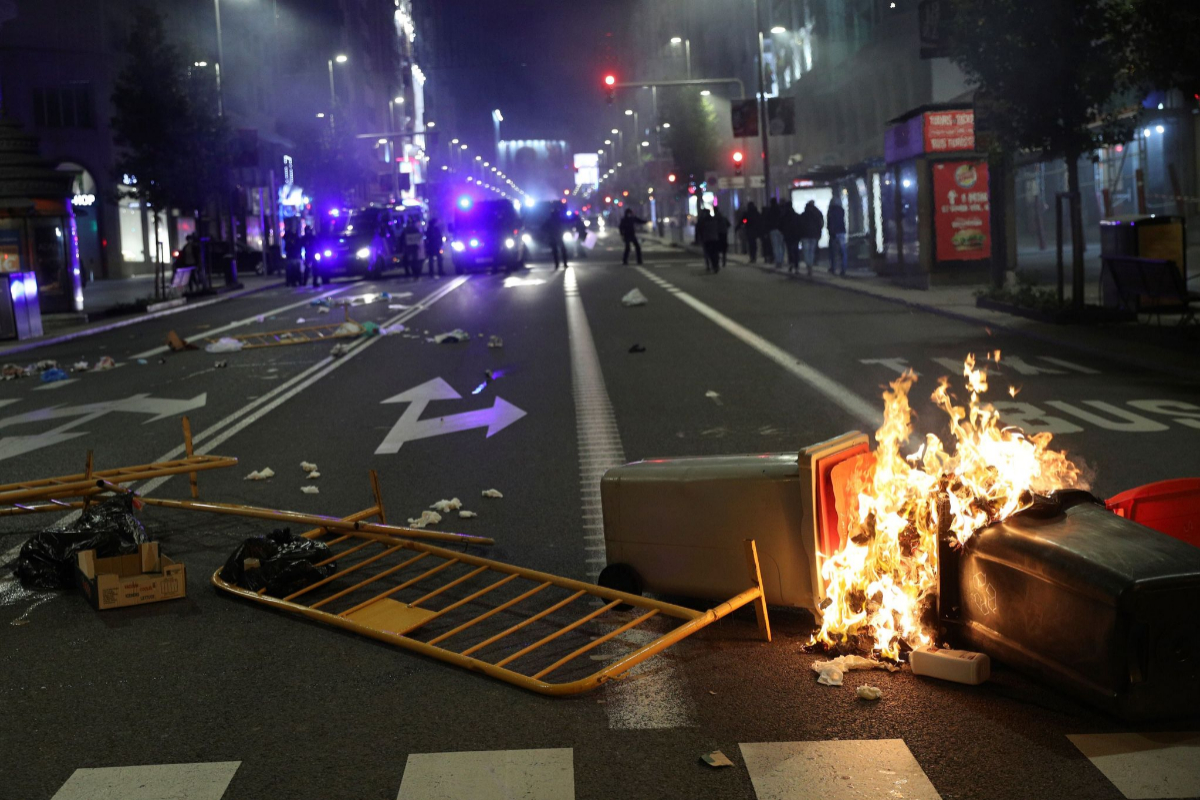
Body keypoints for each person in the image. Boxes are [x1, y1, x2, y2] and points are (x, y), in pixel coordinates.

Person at [799, 200, 824, 276]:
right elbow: (821, 224)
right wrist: (819, 234)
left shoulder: (803, 215)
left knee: (806, 251)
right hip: (814, 235)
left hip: (805, 235)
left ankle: (809, 266)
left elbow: (800, 226)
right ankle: (811, 266)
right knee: (811, 251)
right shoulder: (817, 213)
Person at [827, 197, 847, 276]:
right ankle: (843, 268)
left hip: (833, 233)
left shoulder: (831, 211)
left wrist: (831, 232)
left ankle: (833, 267)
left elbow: (830, 223)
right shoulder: (841, 210)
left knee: (833, 252)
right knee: (843, 252)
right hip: (841, 232)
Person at [766, 198, 785, 268]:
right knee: (781, 246)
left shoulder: (769, 211)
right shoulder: (780, 210)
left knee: (775, 246)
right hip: (780, 230)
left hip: (773, 230)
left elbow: (767, 221)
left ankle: (778, 261)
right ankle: (781, 260)